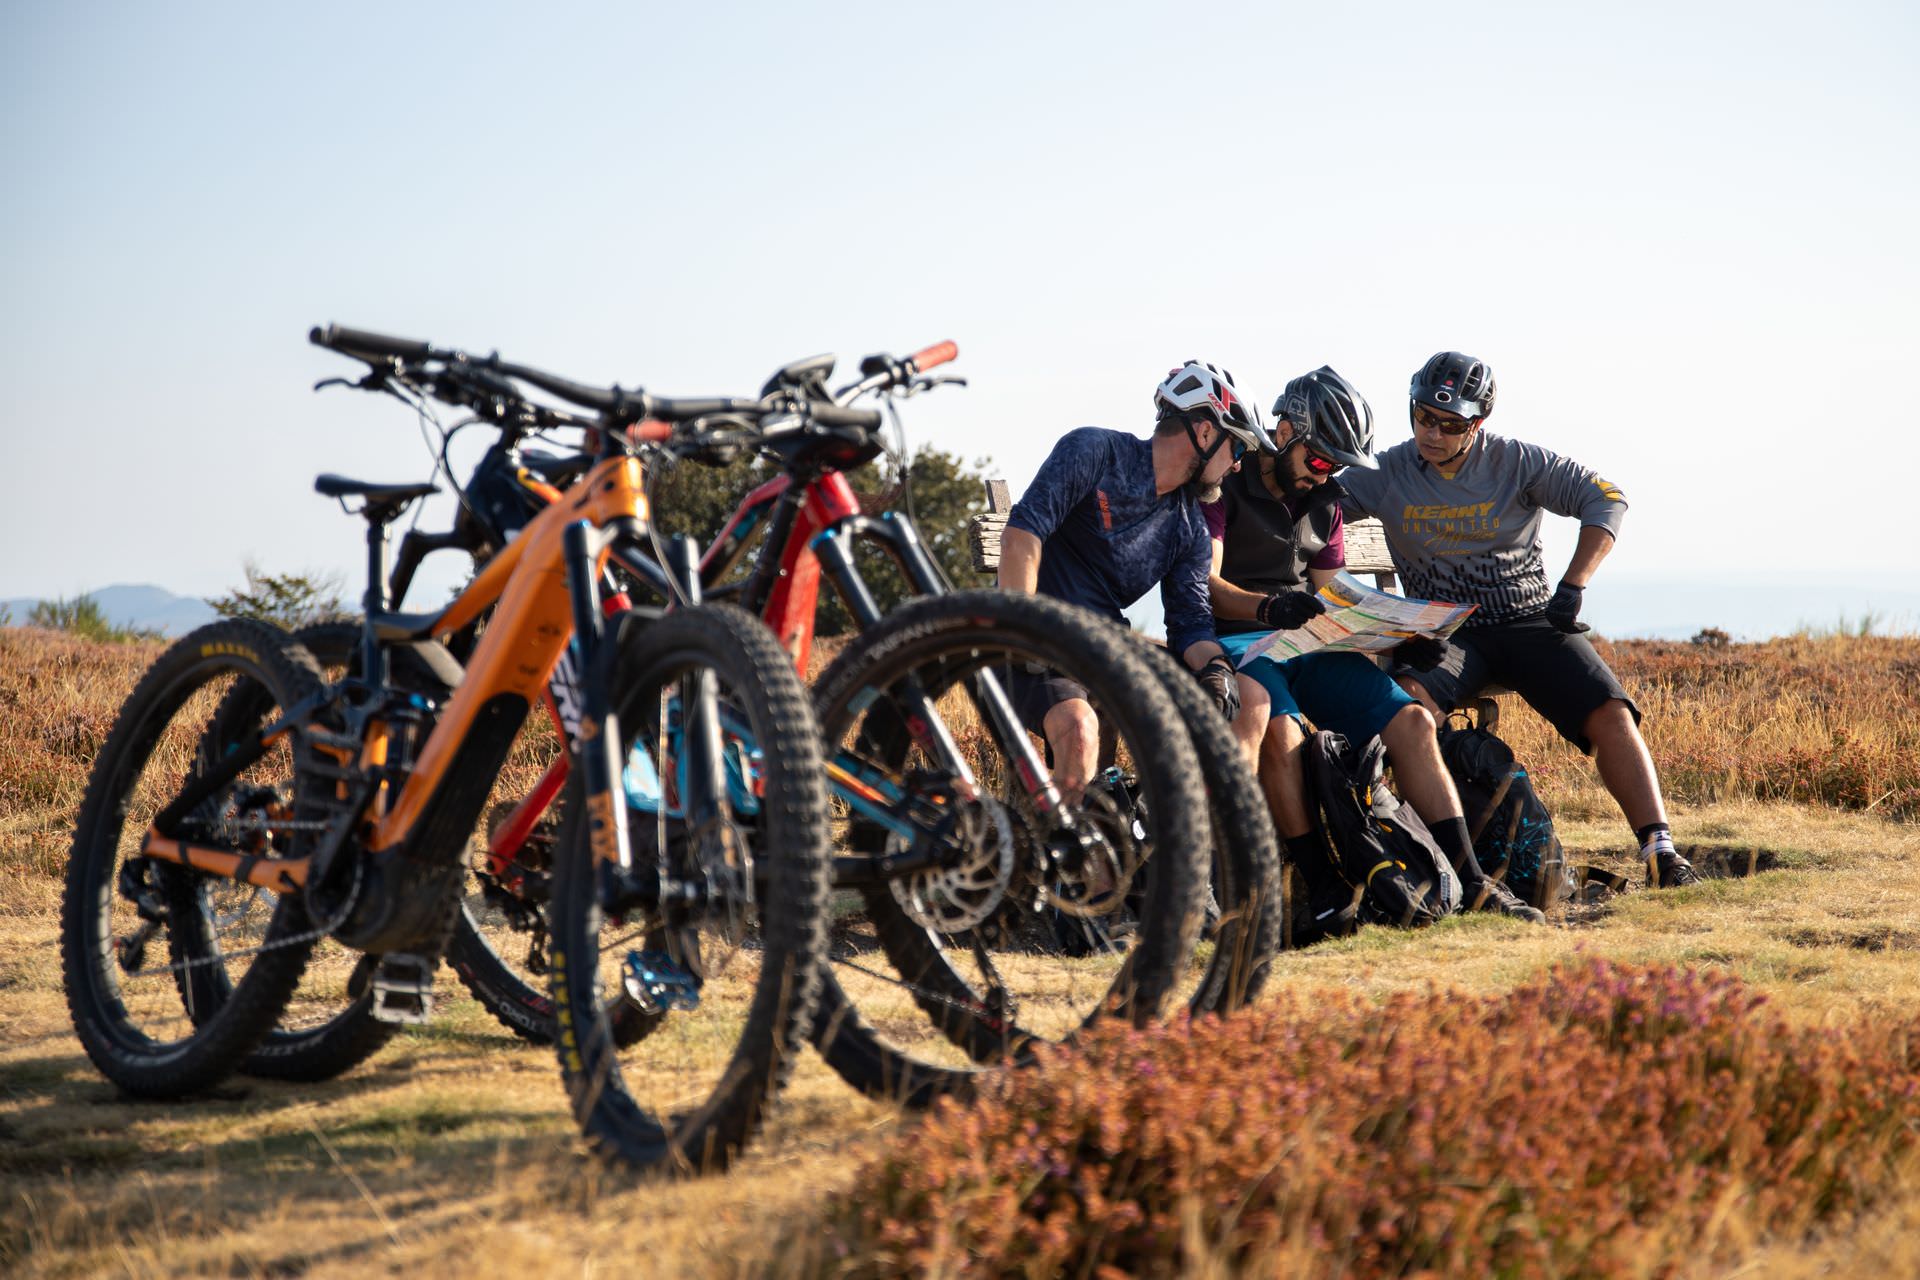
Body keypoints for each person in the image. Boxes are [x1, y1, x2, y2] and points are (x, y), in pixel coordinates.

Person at [1339, 351, 1700, 888]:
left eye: (1451, 424)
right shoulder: (1389, 471)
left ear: (1478, 423)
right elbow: (1314, 505)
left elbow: (1606, 500)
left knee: (1608, 710)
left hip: (1529, 621)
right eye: (1422, 416)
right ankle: (1444, 857)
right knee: (1409, 702)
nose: (1431, 433)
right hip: (1445, 634)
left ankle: (1661, 852)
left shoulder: (1516, 462)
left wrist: (1574, 583)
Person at [1205, 365, 1543, 924]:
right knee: (1283, 731)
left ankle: (1473, 881)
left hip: (1304, 643)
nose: (1325, 475)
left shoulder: (1326, 500)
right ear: (1285, 430)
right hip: (1241, 642)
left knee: (1413, 721)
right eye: (1318, 460)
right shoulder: (1229, 482)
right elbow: (1208, 586)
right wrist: (1269, 608)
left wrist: (1400, 643)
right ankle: (1323, 888)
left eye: (1336, 466)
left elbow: (1332, 595)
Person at [996, 361, 1262, 800]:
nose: (1236, 467)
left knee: (1232, 699)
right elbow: (1022, 536)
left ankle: (1173, 847)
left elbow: (1191, 624)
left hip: (1105, 649)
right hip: (1035, 642)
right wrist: (1025, 631)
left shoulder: (1190, 527)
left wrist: (1215, 670)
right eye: (1238, 450)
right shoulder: (1096, 452)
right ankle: (1061, 860)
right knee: (1081, 731)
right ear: (1207, 431)